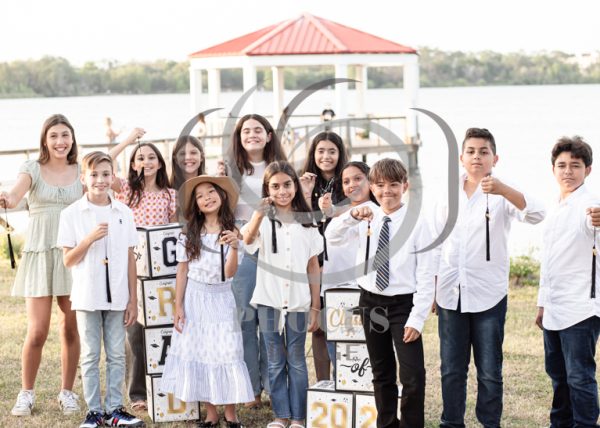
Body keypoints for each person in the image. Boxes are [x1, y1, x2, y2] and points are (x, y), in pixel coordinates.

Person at [432, 128, 546, 428]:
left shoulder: (502, 194)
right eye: (471, 151)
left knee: (490, 371)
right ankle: (451, 423)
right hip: (450, 293)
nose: (477, 157)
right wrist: (432, 285)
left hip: (489, 295)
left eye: (484, 152)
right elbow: (435, 242)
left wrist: (503, 190)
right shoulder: (446, 193)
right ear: (461, 157)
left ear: (495, 158)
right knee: (451, 369)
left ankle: (490, 423)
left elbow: (537, 214)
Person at [326, 158, 436, 427]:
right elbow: (331, 236)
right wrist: (350, 217)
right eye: (381, 185)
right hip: (371, 301)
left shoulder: (418, 222)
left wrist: (417, 318)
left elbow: (426, 274)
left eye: (394, 185)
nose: (387, 191)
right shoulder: (364, 214)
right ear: (372, 188)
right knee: (381, 371)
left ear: (405, 186)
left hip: (403, 305)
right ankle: (386, 424)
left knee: (413, 375)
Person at [1, 114, 82, 417]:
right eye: (54, 136)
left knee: (71, 328)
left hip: (72, 255)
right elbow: (15, 195)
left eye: (65, 135)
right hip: (39, 254)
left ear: (72, 139)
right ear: (45, 141)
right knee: (37, 331)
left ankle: (67, 393)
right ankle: (26, 393)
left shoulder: (81, 171)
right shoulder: (32, 168)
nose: (60, 141)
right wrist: (7, 199)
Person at [57, 151, 144, 428]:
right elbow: (68, 260)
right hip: (87, 296)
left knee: (117, 354)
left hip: (118, 296)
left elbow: (130, 258)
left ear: (113, 177)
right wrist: (88, 240)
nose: (100, 180)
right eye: (93, 174)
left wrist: (133, 300)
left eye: (106, 174)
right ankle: (94, 412)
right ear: (83, 178)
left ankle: (115, 409)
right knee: (91, 355)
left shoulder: (124, 212)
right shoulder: (71, 214)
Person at [161, 175, 254, 428]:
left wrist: (234, 247)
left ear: (221, 195)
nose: (207, 198)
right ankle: (211, 414)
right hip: (195, 298)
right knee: (201, 351)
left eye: (211, 191)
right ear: (196, 205)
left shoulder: (232, 231)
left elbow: (230, 272)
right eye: (200, 196)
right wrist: (178, 306)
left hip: (221, 297)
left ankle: (231, 414)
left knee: (227, 351)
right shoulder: (189, 233)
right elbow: (182, 271)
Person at [242, 160, 322, 428]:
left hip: (298, 302)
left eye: (287, 185)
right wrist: (258, 214)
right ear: (267, 189)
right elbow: (247, 241)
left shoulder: (307, 221)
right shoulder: (263, 220)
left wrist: (315, 306)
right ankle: (281, 416)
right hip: (269, 302)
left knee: (296, 360)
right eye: (275, 186)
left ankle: (298, 417)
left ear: (295, 186)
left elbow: (313, 265)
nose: (282, 191)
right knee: (275, 360)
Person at [217, 113, 286, 408]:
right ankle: (250, 389)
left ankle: (272, 385)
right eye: (246, 131)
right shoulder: (230, 170)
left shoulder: (280, 168)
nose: (252, 135)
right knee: (246, 320)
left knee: (270, 321)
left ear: (269, 136)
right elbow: (220, 211)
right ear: (239, 137)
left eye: (258, 130)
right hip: (243, 249)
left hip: (274, 249)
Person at [109, 135, 178, 411]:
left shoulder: (170, 195)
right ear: (133, 164)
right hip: (131, 269)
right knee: (135, 332)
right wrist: (129, 140)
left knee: (163, 331)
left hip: (161, 272)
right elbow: (105, 162)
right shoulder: (127, 190)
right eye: (140, 158)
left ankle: (164, 387)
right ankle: (138, 392)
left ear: (160, 163)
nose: (146, 162)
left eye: (151, 157)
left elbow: (174, 233)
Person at [536, 136, 600, 428]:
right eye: (562, 165)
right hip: (553, 307)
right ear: (553, 169)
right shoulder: (554, 206)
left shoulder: (590, 204)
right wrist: (542, 304)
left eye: (575, 165)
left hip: (581, 309)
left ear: (588, 170)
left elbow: (594, 223)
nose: (568, 171)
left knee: (579, 377)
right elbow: (549, 260)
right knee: (558, 377)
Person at [299, 131, 348, 381]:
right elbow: (301, 222)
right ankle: (323, 383)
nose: (326, 156)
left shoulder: (348, 181)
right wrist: (306, 193)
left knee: (342, 324)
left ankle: (344, 380)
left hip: (341, 262)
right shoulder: (305, 183)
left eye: (332, 151)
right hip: (313, 262)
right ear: (313, 154)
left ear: (340, 154)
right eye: (321, 151)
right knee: (317, 325)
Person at [319, 161, 378, 370]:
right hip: (334, 291)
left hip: (359, 290)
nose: (352, 184)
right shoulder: (344, 213)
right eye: (346, 181)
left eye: (358, 178)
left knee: (361, 355)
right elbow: (331, 235)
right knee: (339, 354)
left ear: (370, 181)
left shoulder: (376, 212)